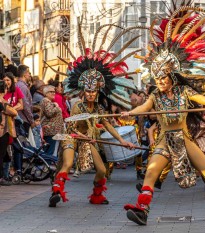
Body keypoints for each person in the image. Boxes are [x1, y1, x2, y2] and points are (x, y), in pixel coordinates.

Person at [124, 2, 205, 225]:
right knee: (151, 172)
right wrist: (130, 112)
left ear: (172, 78)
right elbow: (143, 108)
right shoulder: (156, 96)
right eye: (157, 79)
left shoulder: (183, 91)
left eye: (164, 79)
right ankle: (142, 210)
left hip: (186, 139)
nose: (160, 82)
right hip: (165, 140)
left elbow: (200, 99)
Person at [48, 22, 140, 208]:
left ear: (98, 92)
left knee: (101, 170)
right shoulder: (78, 108)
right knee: (67, 164)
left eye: (93, 91)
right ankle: (56, 191)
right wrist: (85, 138)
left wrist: (123, 142)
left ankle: (96, 195)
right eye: (87, 91)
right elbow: (72, 129)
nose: (90, 93)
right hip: (72, 138)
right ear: (83, 91)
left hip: (89, 140)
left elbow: (107, 125)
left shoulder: (99, 109)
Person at [40, 85, 64, 156]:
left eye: (54, 91)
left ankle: (47, 165)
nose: (53, 93)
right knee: (49, 151)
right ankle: (47, 165)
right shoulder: (46, 101)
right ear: (46, 93)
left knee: (51, 150)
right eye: (51, 92)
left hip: (52, 130)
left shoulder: (49, 102)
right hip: (50, 130)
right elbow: (49, 113)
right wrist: (56, 106)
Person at [0, 92, 17, 185]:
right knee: (2, 155)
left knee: (5, 156)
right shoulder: (3, 102)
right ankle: (1, 177)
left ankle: (4, 175)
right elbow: (14, 112)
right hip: (3, 130)